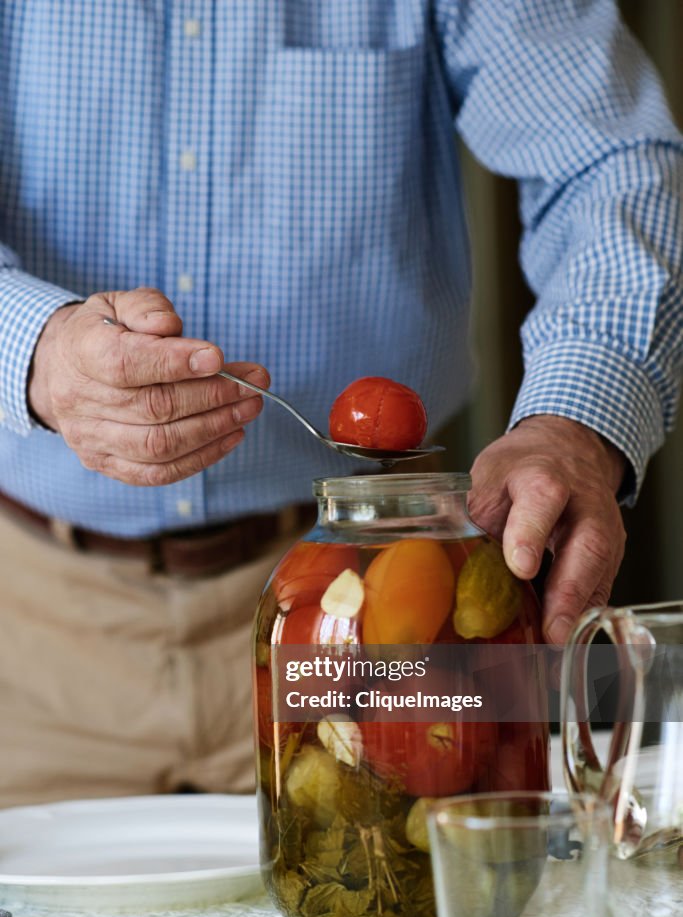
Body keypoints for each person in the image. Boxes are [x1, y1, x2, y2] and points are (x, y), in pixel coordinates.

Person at [0, 1, 681, 808]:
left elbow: (611, 160)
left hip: (381, 610)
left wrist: (574, 426)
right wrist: (32, 350)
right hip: (27, 635)